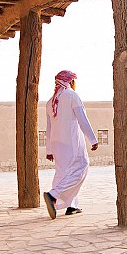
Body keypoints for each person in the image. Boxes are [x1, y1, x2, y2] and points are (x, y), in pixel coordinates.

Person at [43, 70, 98, 219]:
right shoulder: (72, 96)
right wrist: (93, 140)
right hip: (71, 143)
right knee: (80, 167)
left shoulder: (50, 102)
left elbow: (48, 129)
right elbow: (82, 119)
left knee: (63, 173)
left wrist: (49, 150)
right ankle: (52, 196)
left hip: (56, 144)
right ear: (71, 81)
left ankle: (71, 206)